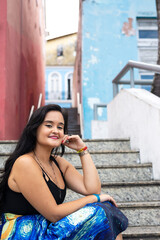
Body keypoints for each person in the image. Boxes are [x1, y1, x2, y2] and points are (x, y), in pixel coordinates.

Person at [0, 104, 128, 239]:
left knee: (108, 210)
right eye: (49, 125)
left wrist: (82, 150)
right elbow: (53, 213)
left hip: (48, 227)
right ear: (34, 129)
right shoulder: (25, 163)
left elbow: (92, 189)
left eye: (60, 127)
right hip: (23, 232)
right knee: (101, 211)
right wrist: (94, 199)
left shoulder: (58, 163)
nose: (55, 130)